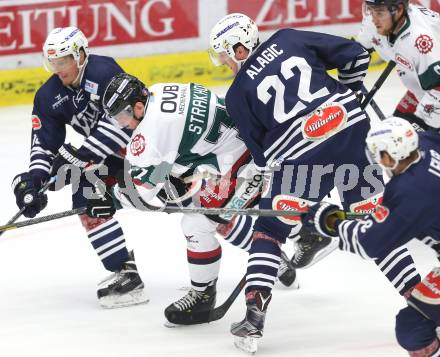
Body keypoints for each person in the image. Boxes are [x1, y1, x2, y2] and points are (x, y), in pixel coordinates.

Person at [209, 13, 421, 353]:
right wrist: (349, 96)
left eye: (224, 54)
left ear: (239, 47)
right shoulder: (289, 38)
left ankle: (254, 316)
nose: (225, 63)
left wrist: (282, 193)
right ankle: (424, 300)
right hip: (352, 134)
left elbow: (264, 157)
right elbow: (356, 56)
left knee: (269, 231)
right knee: (374, 220)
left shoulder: (236, 95)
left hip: (303, 159)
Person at [85, 73, 299, 326]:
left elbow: (143, 196)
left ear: (138, 107)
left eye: (122, 116)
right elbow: (174, 152)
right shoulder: (159, 89)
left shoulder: (149, 134)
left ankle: (203, 295)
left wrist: (112, 200)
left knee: (198, 223)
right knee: (210, 209)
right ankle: (297, 239)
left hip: (245, 165)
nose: (122, 124)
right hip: (255, 144)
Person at [10, 27, 147, 308]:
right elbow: (44, 144)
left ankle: (259, 246)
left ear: (81, 55)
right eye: (54, 63)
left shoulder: (103, 70)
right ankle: (126, 274)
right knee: (86, 194)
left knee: (206, 204)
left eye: (64, 61)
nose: (59, 70)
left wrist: (82, 155)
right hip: (113, 160)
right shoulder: (48, 96)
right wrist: (35, 180)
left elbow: (123, 121)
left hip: (150, 148)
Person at [301, 117, 440, 356]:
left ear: (389, 156)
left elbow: (370, 242)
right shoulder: (428, 142)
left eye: (378, 154)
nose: (378, 161)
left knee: (412, 328)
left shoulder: (411, 191)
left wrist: (329, 221)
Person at [357, 0, 440, 132]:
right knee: (394, 132)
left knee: (406, 142)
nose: (373, 19)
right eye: (370, 10)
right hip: (425, 85)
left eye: (378, 12)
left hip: (436, 90)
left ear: (399, 10)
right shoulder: (375, 21)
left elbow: (438, 88)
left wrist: (421, 123)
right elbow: (358, 50)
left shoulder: (420, 40)